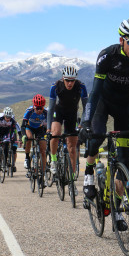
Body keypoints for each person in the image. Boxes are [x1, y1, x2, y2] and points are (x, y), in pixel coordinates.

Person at [79, 17, 129, 230]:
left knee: (125, 163)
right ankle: (89, 174)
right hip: (104, 103)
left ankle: (117, 211)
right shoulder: (107, 56)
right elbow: (94, 93)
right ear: (122, 39)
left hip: (126, 107)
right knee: (96, 137)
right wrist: (85, 121)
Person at [47, 65, 88, 196]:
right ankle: (53, 160)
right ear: (63, 78)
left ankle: (71, 183)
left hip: (72, 115)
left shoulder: (81, 87)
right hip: (58, 113)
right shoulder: (55, 86)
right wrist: (48, 127)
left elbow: (86, 107)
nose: (70, 83)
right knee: (56, 134)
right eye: (67, 80)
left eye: (72, 80)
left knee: (72, 148)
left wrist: (82, 124)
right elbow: (51, 108)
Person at [21, 94, 48, 181]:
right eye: (37, 108)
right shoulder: (29, 111)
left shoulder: (46, 112)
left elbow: (49, 126)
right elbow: (23, 125)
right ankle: (27, 158)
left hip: (40, 128)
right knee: (29, 138)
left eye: (41, 108)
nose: (39, 110)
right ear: (34, 106)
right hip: (30, 127)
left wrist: (48, 133)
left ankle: (43, 175)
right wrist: (23, 135)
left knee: (43, 151)